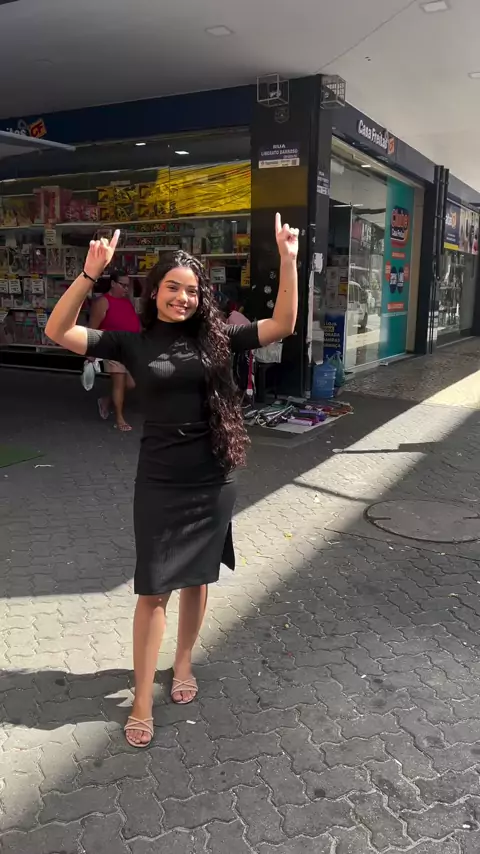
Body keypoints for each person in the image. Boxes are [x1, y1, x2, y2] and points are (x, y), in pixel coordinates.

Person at [45, 213, 298, 748]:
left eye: (192, 291)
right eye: (172, 288)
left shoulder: (219, 339)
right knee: (153, 588)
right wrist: (89, 275)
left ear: (201, 297)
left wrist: (289, 261)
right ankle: (141, 698)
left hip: (212, 478)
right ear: (155, 291)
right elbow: (58, 331)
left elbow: (282, 324)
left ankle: (182, 663)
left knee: (198, 580)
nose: (182, 298)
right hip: (159, 482)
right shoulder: (132, 343)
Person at [89, 269, 141, 431]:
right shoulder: (103, 302)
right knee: (119, 382)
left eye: (127, 286)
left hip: (129, 347)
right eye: (122, 285)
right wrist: (90, 353)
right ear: (112, 283)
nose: (126, 289)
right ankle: (119, 419)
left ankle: (106, 401)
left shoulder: (126, 302)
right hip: (113, 347)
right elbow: (92, 328)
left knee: (131, 383)